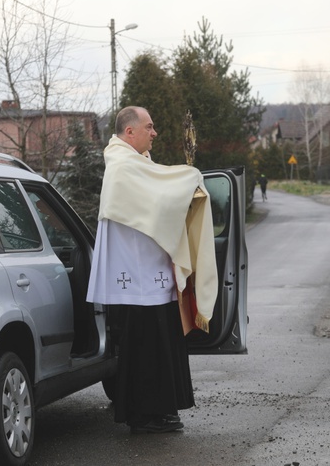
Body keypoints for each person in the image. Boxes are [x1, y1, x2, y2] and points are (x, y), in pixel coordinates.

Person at [86, 106, 218, 434]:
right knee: (145, 346)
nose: (154, 132)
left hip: (151, 273)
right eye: (149, 126)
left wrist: (186, 190)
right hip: (135, 279)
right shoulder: (121, 167)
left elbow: (159, 200)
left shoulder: (137, 164)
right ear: (130, 132)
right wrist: (189, 179)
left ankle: (160, 410)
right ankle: (144, 414)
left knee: (158, 342)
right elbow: (158, 201)